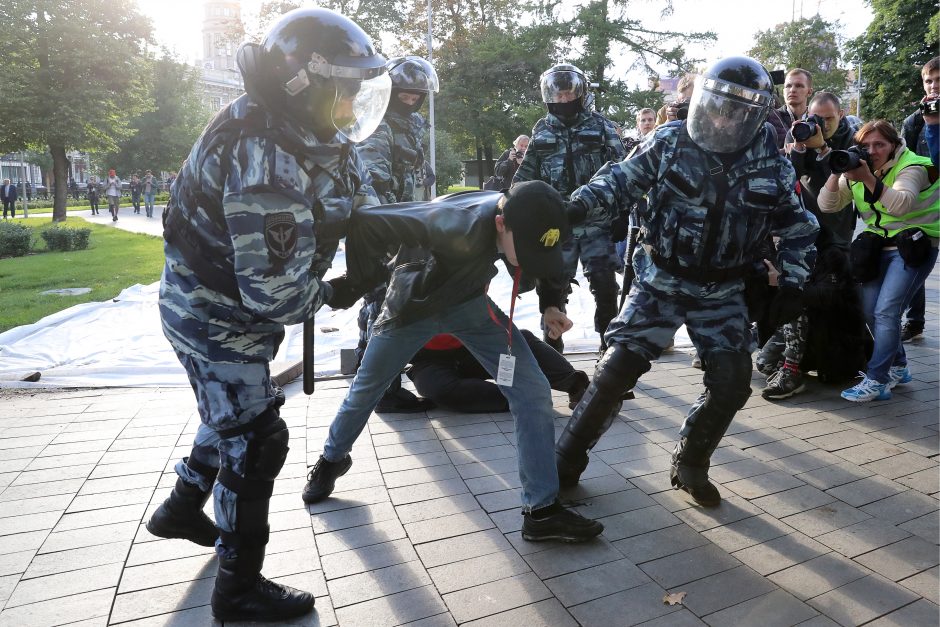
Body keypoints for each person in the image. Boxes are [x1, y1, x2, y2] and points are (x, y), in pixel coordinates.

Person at [146, 8, 390, 621]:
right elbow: (276, 296)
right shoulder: (265, 159)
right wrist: (341, 290)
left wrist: (390, 229)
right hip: (212, 317)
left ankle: (179, 508)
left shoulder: (304, 130)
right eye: (345, 90)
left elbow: (354, 190)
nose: (352, 104)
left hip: (231, 314)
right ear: (303, 83)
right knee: (256, 438)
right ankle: (237, 589)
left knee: (232, 414)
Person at [555, 56, 819, 506]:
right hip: (662, 277)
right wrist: (574, 208)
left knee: (733, 381)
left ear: (755, 113)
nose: (725, 116)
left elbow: (800, 230)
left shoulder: (772, 166)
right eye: (717, 104)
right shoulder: (670, 141)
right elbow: (618, 182)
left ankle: (691, 462)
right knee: (615, 371)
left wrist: (793, 285)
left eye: (739, 109)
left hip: (724, 288)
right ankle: (563, 463)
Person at [304, 182, 604, 543]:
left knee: (532, 389)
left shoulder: (539, 214)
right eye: (522, 249)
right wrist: (357, 282)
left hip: (469, 305)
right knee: (367, 389)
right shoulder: (452, 222)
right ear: (499, 224)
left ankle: (541, 511)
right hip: (411, 308)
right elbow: (367, 220)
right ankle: (331, 459)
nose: (527, 260)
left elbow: (548, 252)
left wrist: (551, 304)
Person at [817, 120, 939, 402]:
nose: (872, 152)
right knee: (871, 311)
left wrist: (868, 178)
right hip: (878, 246)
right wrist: (837, 172)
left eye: (879, 145)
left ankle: (878, 379)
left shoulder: (913, 167)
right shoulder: (857, 169)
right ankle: (898, 366)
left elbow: (901, 204)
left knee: (887, 311)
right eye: (866, 146)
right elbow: (828, 205)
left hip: (915, 246)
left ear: (894, 145)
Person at [513, 63, 626, 353]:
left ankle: (608, 347)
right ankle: (552, 348)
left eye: (568, 95)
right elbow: (525, 177)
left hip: (596, 220)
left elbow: (622, 170)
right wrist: (514, 206)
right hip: (556, 222)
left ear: (579, 93)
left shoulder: (600, 126)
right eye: (558, 96)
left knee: (604, 285)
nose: (563, 100)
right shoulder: (541, 131)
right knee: (551, 286)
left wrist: (622, 212)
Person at [759, 91, 864, 400]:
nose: (819, 125)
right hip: (802, 247)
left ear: (841, 115)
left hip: (832, 248)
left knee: (804, 297)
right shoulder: (793, 154)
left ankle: (794, 368)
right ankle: (789, 359)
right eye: (814, 119)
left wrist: (823, 149)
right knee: (764, 361)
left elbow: (842, 182)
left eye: (827, 119)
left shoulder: (849, 146)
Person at [354, 55, 438, 412]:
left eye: (416, 94)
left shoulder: (412, 124)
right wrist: (395, 230)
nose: (411, 99)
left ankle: (370, 380)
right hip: (385, 230)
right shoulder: (378, 125)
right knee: (383, 309)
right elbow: (373, 183)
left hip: (409, 226)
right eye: (404, 93)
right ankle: (382, 392)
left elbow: (417, 175)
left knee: (384, 307)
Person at [407, 328, 590, 413]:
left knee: (520, 339)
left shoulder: (468, 266)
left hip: (475, 347)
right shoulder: (406, 275)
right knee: (439, 389)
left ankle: (575, 384)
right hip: (428, 360)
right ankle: (519, 397)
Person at [899, 56, 940, 342]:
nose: (934, 86)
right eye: (929, 80)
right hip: (925, 206)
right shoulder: (915, 120)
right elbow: (904, 160)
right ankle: (914, 321)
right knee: (917, 258)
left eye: (939, 80)